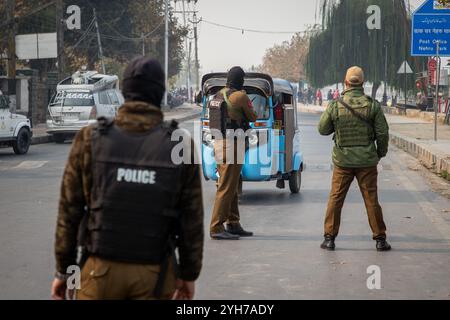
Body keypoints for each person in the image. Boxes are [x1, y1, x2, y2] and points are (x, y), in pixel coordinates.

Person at [51, 57, 204, 300]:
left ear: (124, 91)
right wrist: (188, 275)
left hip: (97, 274)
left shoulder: (89, 138)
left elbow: (69, 213)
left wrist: (65, 272)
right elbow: (191, 221)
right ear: (160, 93)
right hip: (155, 275)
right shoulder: (180, 143)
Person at [318, 66, 391, 252]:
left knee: (336, 198)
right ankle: (380, 240)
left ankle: (329, 239)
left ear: (346, 82)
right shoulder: (372, 105)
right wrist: (379, 153)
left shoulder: (336, 105)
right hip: (367, 162)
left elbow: (323, 129)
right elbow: (382, 133)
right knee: (371, 199)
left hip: (343, 162)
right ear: (363, 83)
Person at [210, 66, 257, 240]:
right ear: (240, 80)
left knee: (233, 184)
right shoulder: (240, 96)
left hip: (219, 143)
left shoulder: (217, 95)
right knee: (226, 187)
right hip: (232, 145)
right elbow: (253, 117)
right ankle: (216, 227)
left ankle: (233, 223)